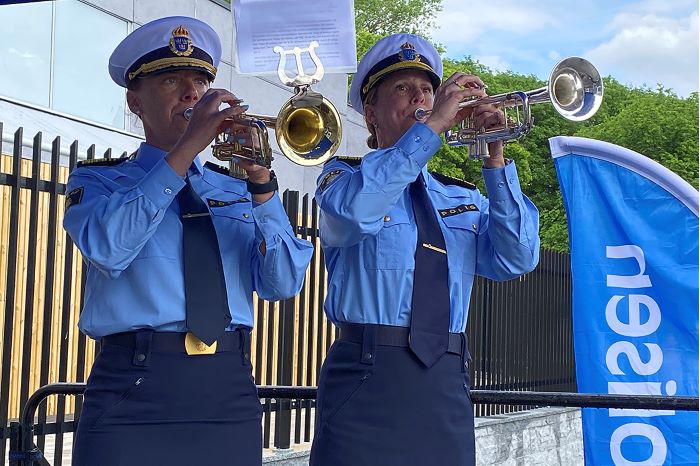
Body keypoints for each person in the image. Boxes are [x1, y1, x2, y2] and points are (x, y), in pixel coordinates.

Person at [63, 16, 314, 466]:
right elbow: (107, 248)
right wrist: (187, 148)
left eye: (200, 81)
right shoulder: (100, 181)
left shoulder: (237, 187)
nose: (191, 93)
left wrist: (261, 185)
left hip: (227, 389)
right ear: (134, 101)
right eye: (172, 80)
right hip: (132, 389)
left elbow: (283, 284)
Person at [310, 33, 540, 466]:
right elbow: (357, 213)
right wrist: (430, 127)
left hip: (445, 381)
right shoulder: (342, 178)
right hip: (366, 376)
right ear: (372, 114)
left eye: (427, 89)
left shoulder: (461, 197)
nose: (420, 96)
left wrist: (496, 158)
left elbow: (517, 257)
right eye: (402, 87)